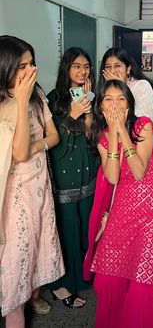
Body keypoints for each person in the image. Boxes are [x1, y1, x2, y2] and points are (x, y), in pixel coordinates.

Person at [84, 79, 153, 328]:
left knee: (142, 284)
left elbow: (139, 171)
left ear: (129, 105)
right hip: (123, 211)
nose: (115, 104)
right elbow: (113, 176)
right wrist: (115, 134)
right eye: (108, 99)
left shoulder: (144, 126)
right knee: (109, 280)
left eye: (121, 99)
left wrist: (123, 134)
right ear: (100, 107)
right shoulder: (101, 136)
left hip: (151, 211)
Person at [0, 35, 64, 328]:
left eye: (31, 63)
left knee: (38, 251)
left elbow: (53, 136)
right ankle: (17, 309)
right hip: (16, 198)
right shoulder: (5, 103)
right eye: (22, 66)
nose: (30, 71)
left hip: (41, 187)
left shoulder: (36, 95)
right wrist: (22, 102)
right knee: (16, 264)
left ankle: (33, 297)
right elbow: (19, 151)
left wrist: (38, 146)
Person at [47, 47, 99, 308]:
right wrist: (72, 115)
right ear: (66, 68)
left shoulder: (89, 95)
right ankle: (63, 284)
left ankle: (83, 275)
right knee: (67, 228)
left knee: (85, 226)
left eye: (87, 66)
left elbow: (91, 136)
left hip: (87, 171)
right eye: (77, 66)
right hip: (65, 173)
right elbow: (52, 140)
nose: (82, 71)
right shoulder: (53, 98)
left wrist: (88, 111)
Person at [98, 47, 153, 174]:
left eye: (117, 66)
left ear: (128, 69)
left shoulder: (141, 86)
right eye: (108, 67)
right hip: (117, 153)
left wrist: (119, 88)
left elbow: (141, 124)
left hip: (141, 154)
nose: (112, 70)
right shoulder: (104, 92)